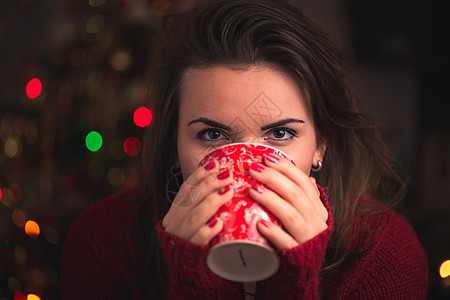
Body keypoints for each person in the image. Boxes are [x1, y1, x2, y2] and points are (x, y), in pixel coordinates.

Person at [60, 0, 429, 298]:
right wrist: (193, 283)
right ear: (173, 146)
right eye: (212, 136)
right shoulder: (104, 243)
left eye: (281, 134)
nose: (248, 168)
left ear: (321, 144)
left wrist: (293, 285)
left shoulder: (383, 253)